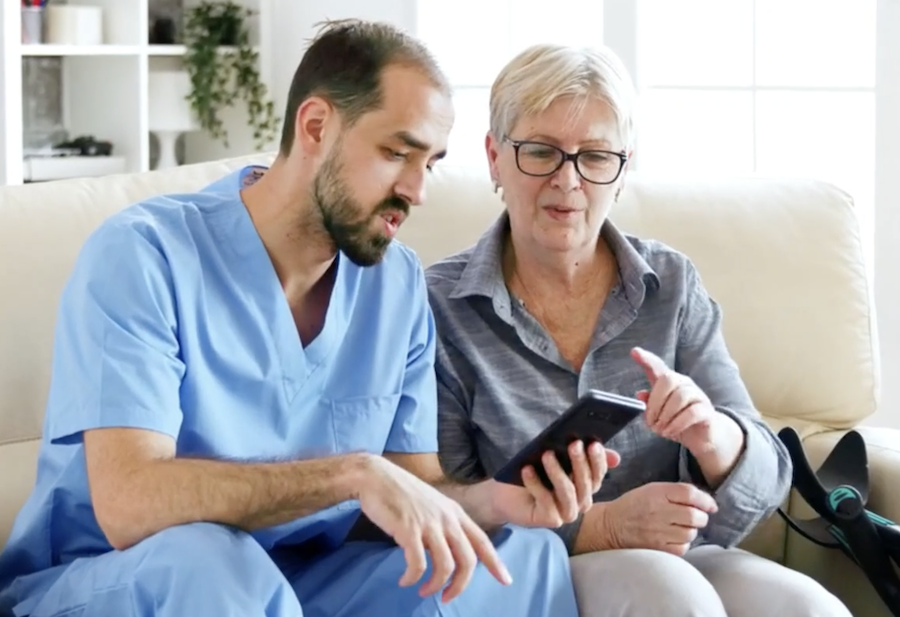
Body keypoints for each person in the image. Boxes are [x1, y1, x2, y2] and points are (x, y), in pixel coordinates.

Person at [0, 21, 619, 617]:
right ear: (316, 126)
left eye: (428, 163)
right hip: (131, 577)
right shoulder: (144, 255)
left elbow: (416, 487)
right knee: (208, 562)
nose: (417, 190)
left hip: (300, 581)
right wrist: (351, 475)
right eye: (396, 153)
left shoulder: (395, 284)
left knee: (517, 557)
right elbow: (129, 503)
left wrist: (495, 501)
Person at [425, 43, 853, 617]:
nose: (567, 180)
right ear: (495, 158)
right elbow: (439, 502)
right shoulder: (439, 307)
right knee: (669, 594)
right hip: (527, 568)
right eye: (541, 152)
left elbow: (769, 477)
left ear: (623, 168)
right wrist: (600, 527)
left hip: (688, 557)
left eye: (595, 156)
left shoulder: (671, 284)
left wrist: (711, 434)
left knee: (809, 607)